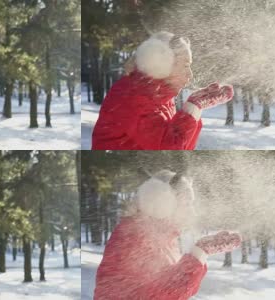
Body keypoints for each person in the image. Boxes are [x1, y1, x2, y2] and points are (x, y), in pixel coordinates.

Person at [94, 170, 241, 299]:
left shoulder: (160, 237)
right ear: (163, 204)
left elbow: (181, 290)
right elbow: (160, 295)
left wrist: (200, 255)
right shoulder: (135, 238)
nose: (192, 212)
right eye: (187, 203)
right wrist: (199, 252)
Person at [92, 31, 234, 150]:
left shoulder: (159, 95)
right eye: (185, 66)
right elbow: (169, 148)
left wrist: (194, 110)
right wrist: (192, 109)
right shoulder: (132, 97)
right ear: (162, 65)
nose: (190, 75)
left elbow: (182, 148)